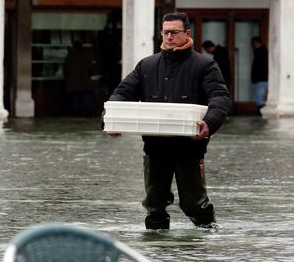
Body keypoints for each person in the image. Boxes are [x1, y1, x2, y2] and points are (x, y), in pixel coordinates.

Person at [106, 12, 230, 230]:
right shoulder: (147, 65)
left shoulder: (204, 65)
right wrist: (110, 120)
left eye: (174, 32)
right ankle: (157, 250)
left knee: (194, 205)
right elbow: (122, 93)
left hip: (190, 147)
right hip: (155, 146)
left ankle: (208, 236)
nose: (169, 36)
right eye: (165, 32)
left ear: (187, 33)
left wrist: (209, 123)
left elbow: (220, 98)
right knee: (154, 203)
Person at [63, 40, 94, 115]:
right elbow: (91, 68)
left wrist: (67, 79)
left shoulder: (70, 56)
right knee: (86, 97)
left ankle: (75, 112)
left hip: (73, 82)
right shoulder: (86, 56)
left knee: (74, 98)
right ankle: (89, 112)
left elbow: (65, 69)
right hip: (85, 80)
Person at [250, 36, 268, 109]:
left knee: (259, 100)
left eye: (253, 44)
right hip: (260, 79)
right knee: (258, 99)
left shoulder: (261, 52)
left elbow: (259, 67)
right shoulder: (259, 52)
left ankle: (263, 113)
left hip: (261, 79)